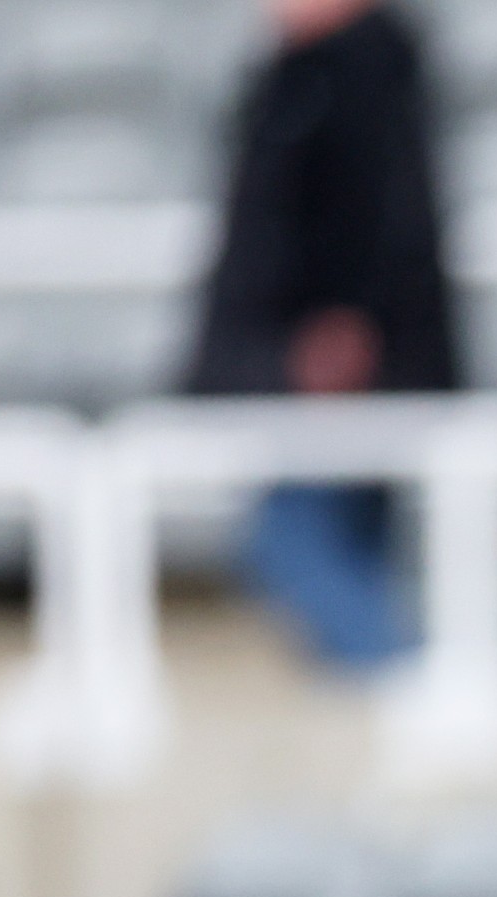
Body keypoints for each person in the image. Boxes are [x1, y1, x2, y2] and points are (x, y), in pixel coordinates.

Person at [187, 0, 461, 672]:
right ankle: (406, 692)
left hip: (338, 375)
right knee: (332, 548)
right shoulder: (308, 78)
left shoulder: (364, 80)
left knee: (293, 543)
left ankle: (405, 686)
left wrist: (346, 333)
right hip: (307, 366)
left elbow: (383, 228)